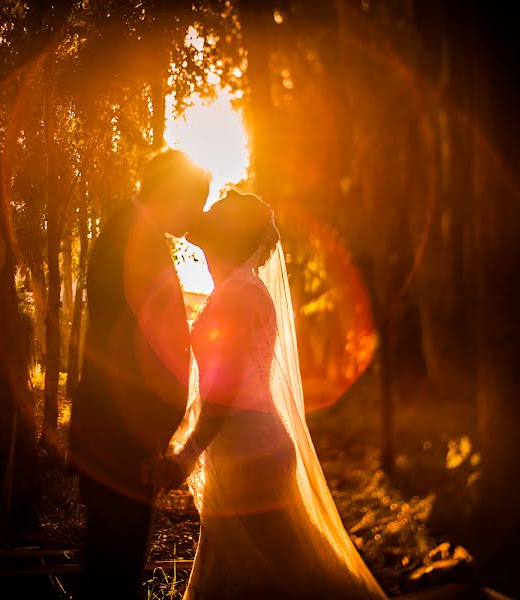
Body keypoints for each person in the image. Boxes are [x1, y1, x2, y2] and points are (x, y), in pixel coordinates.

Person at [159, 190, 389, 600]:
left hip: (250, 456)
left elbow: (225, 388)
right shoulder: (240, 290)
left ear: (229, 239)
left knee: (276, 579)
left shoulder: (237, 297)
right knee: (238, 572)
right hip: (248, 447)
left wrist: (188, 452)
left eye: (216, 223)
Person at [69, 149, 210, 599]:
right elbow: (149, 348)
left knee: (111, 567)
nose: (198, 214)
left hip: (116, 431)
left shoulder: (130, 231)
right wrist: (152, 437)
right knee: (115, 570)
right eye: (196, 200)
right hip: (123, 438)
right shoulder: (136, 240)